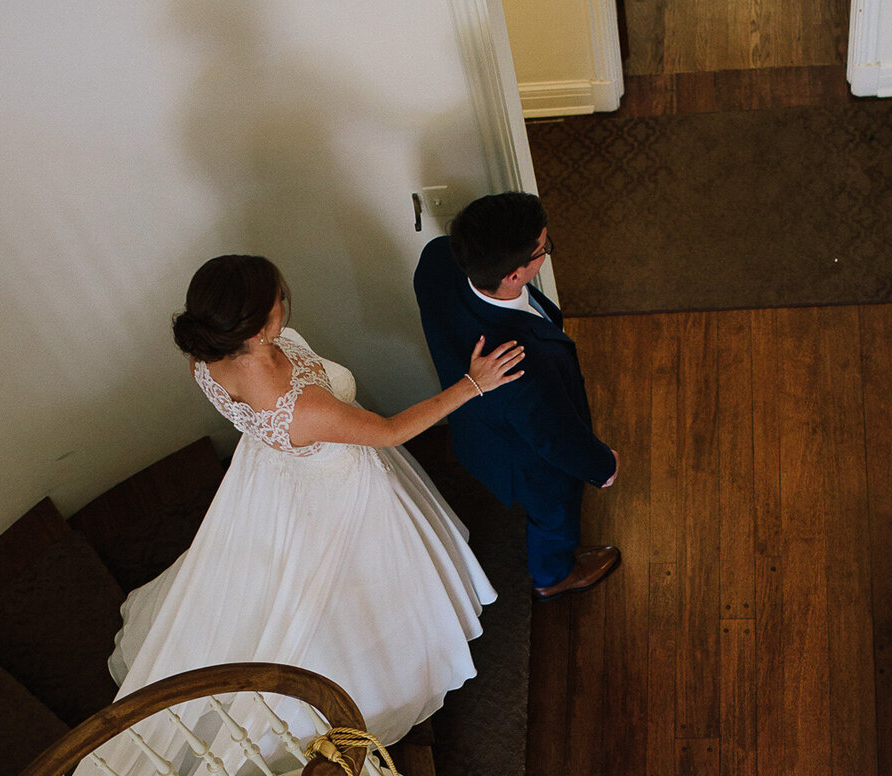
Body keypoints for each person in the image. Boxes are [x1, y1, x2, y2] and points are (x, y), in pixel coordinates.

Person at [109, 253, 525, 746]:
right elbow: (390, 432)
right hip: (334, 487)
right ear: (262, 327)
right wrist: (473, 384)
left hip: (273, 474)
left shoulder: (206, 353)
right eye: (278, 299)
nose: (285, 300)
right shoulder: (298, 406)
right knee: (348, 592)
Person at [413, 191, 619, 600]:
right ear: (514, 275)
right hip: (526, 460)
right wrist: (602, 466)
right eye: (543, 248)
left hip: (477, 431)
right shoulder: (523, 363)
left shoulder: (437, 258)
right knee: (555, 515)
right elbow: (557, 437)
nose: (546, 252)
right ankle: (553, 576)